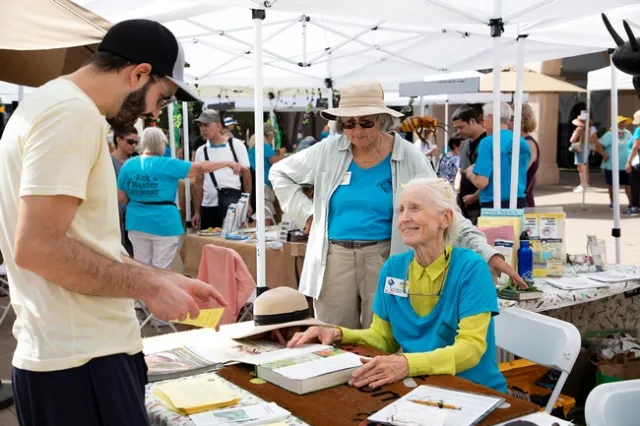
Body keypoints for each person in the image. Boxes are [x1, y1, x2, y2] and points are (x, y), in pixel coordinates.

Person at [0, 19, 227, 426]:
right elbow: (39, 247)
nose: (155, 112)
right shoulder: (71, 113)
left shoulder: (48, 105)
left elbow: (83, 243)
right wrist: (148, 284)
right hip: (82, 362)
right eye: (163, 96)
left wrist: (162, 278)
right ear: (139, 73)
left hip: (69, 354)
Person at [269, 83, 525, 330]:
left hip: (386, 258)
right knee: (332, 340)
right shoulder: (328, 151)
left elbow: (447, 212)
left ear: (382, 119)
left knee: (383, 339)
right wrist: (308, 216)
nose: (356, 131)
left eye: (366, 122)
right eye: (348, 123)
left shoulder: (409, 156)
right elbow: (279, 173)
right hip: (333, 259)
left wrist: (485, 252)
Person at [288, 177, 507, 392]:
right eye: (400, 210)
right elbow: (383, 339)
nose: (404, 219)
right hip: (422, 390)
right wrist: (336, 333)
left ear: (445, 219)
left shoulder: (471, 269)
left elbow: (471, 349)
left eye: (414, 208)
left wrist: (406, 364)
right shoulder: (393, 268)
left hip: (475, 394)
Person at [118, 127, 245, 268]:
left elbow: (121, 198)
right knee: (162, 269)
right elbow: (200, 168)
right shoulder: (168, 164)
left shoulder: (128, 165)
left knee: (141, 267)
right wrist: (227, 163)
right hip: (164, 222)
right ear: (161, 143)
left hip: (137, 221)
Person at [192, 109, 252, 230]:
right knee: (209, 243)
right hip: (208, 205)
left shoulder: (235, 145)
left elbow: (247, 175)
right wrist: (197, 211)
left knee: (231, 242)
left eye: (207, 125)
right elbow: (198, 183)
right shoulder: (201, 151)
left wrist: (247, 203)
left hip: (232, 203)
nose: (203, 129)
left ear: (218, 125)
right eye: (201, 125)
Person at [465, 102, 531, 209]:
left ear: (491, 117)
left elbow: (481, 182)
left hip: (495, 204)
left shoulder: (488, 142)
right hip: (519, 201)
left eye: (484, 117)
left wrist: (470, 174)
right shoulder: (522, 142)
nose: (483, 121)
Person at [452, 105, 486, 225]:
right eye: (456, 128)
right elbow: (461, 169)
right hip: (465, 206)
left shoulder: (487, 142)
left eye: (461, 127)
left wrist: (474, 197)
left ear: (472, 121)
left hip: (481, 205)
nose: (458, 131)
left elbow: (490, 176)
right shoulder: (465, 144)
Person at [247, 123, 286, 224]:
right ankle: (262, 237)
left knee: (260, 213)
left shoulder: (252, 146)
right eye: (273, 135)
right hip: (265, 182)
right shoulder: (265, 146)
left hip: (256, 181)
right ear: (268, 134)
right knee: (266, 215)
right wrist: (281, 153)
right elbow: (276, 163)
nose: (273, 137)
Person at [595, 116, 634, 211]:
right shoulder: (610, 134)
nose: (623, 124)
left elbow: (633, 144)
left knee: (629, 185)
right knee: (612, 185)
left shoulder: (628, 133)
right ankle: (613, 202)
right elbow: (598, 144)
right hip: (611, 165)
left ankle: (631, 203)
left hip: (625, 165)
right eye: (621, 122)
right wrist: (604, 155)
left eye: (624, 122)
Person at [111, 127, 138, 256]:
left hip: (134, 213)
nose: (134, 146)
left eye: (136, 142)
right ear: (118, 140)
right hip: (115, 213)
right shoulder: (107, 162)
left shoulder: (136, 162)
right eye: (130, 142)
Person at [569, 114, 598, 193]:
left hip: (580, 147)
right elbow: (595, 139)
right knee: (585, 165)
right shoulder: (592, 129)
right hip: (588, 147)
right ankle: (585, 183)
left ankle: (582, 184)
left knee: (580, 167)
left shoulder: (579, 129)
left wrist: (574, 135)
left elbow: (572, 140)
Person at [521, 103, 540, 207]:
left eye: (511, 118)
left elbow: (521, 169)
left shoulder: (528, 143)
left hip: (524, 200)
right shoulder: (521, 141)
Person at [625, 110, 640, 215]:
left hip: (637, 162)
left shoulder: (639, 130)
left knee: (635, 185)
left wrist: (629, 162)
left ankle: (635, 207)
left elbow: (635, 146)